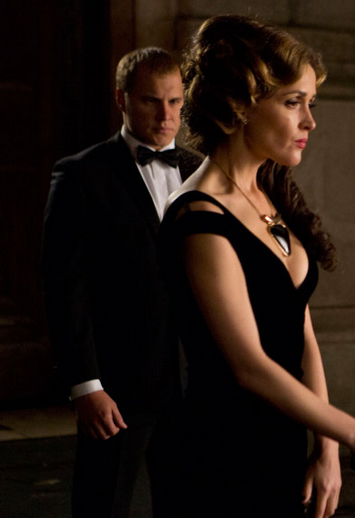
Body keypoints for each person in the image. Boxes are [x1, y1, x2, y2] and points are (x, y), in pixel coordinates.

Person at [158, 15, 355, 518]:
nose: (309, 122)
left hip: (281, 447)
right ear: (242, 105)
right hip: (220, 458)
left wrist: (327, 450)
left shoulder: (267, 194)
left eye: (311, 103)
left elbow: (303, 334)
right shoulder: (197, 215)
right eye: (294, 102)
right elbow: (250, 366)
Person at [41, 47, 198, 518]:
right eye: (151, 101)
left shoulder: (202, 169)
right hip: (118, 382)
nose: (166, 115)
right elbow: (64, 286)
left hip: (194, 382)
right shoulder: (80, 175)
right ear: (121, 99)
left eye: (175, 101)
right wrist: (85, 385)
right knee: (101, 505)